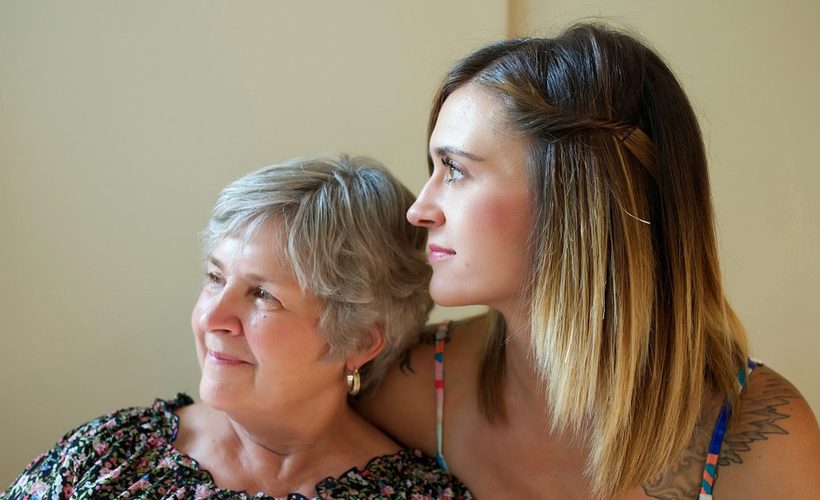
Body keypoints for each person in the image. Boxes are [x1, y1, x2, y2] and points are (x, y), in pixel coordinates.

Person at [359, 23, 820, 499]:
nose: (419, 210)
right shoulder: (401, 390)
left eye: (455, 169)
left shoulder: (764, 443)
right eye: (434, 167)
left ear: (575, 200)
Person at [3, 156, 471, 499]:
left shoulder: (418, 494)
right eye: (215, 277)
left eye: (263, 294)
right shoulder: (111, 453)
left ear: (360, 340)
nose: (211, 318)